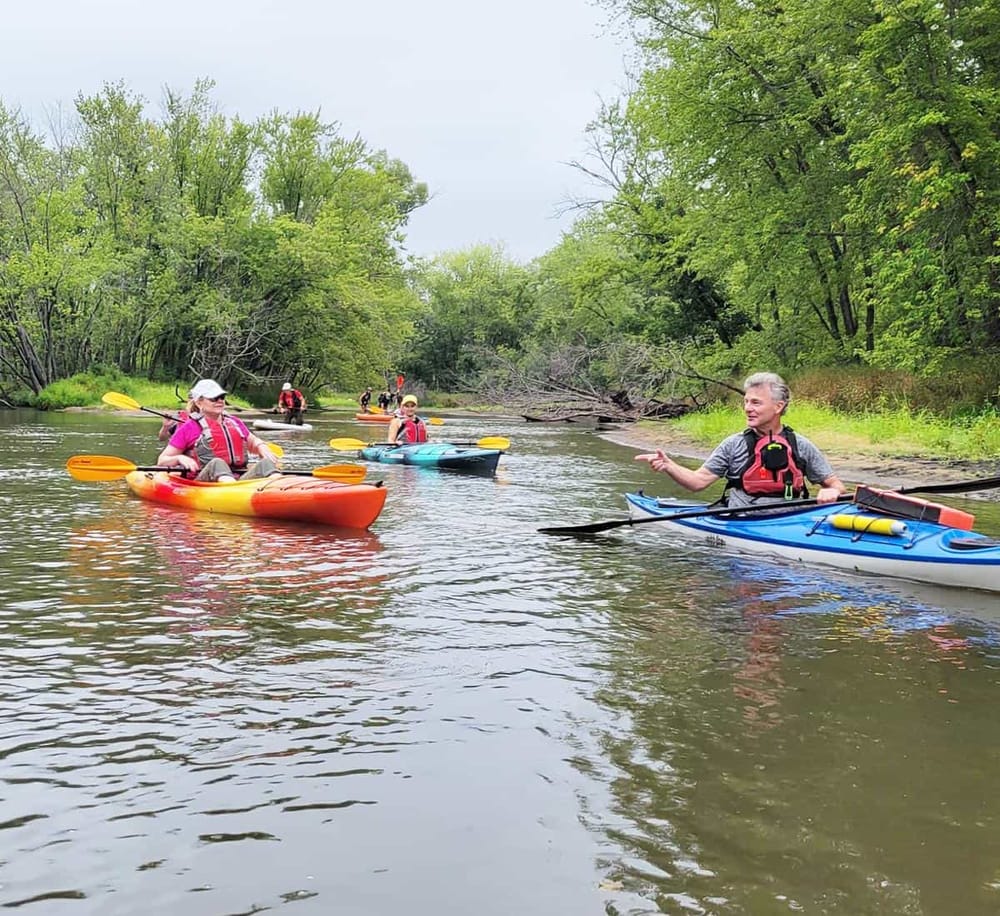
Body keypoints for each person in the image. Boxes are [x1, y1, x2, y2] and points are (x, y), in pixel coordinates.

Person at [635, 371, 846, 509]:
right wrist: (669, 465)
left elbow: (836, 485)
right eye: (746, 402)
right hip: (742, 521)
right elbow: (698, 482)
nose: (747, 408)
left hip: (789, 522)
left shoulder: (800, 445)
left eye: (755, 403)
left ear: (778, 406)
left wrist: (832, 491)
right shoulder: (733, 445)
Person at [157, 379, 280, 482]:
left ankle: (281, 488)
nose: (220, 401)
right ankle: (232, 491)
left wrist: (261, 446)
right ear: (199, 402)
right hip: (205, 482)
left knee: (265, 464)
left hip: (238, 481)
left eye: (222, 397)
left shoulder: (235, 422)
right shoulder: (189, 427)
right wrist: (179, 458)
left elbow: (253, 442)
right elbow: (162, 460)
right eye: (213, 398)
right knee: (217, 463)